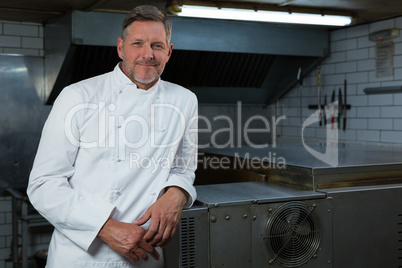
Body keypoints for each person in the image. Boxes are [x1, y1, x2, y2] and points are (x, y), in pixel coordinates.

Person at [27, 5, 198, 267]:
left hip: (146, 256)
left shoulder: (184, 100)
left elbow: (184, 168)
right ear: (121, 48)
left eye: (157, 45)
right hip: (83, 257)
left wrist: (177, 193)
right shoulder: (78, 96)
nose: (147, 54)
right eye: (137, 43)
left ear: (169, 52)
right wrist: (105, 227)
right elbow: (43, 184)